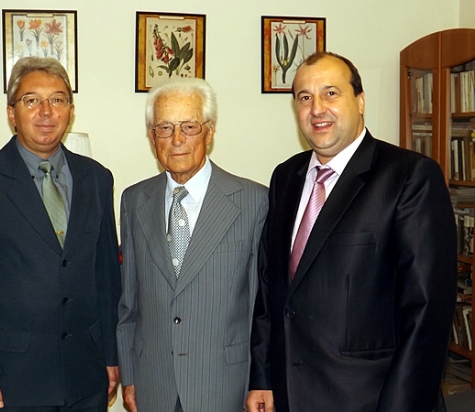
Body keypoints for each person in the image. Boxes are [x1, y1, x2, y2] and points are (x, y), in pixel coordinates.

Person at [246, 51, 457, 412]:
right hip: (289, 394)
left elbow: (427, 314)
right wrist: (262, 378)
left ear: (360, 101)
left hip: (369, 399)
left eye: (331, 93)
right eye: (305, 97)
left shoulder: (409, 176)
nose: (317, 109)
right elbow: (270, 288)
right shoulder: (286, 177)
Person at [0, 57, 121, 412]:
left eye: (57, 99)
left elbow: (107, 278)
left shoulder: (97, 178)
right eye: (31, 100)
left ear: (70, 111)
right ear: (12, 113)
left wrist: (112, 355)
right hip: (11, 381)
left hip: (86, 376)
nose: (46, 111)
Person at [117, 77, 268, 411]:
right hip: (152, 382)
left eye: (189, 126)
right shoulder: (134, 200)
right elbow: (129, 301)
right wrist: (129, 374)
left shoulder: (253, 201)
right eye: (165, 128)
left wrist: (261, 382)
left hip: (224, 384)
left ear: (209, 132)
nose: (177, 139)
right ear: (152, 136)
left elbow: (261, 308)